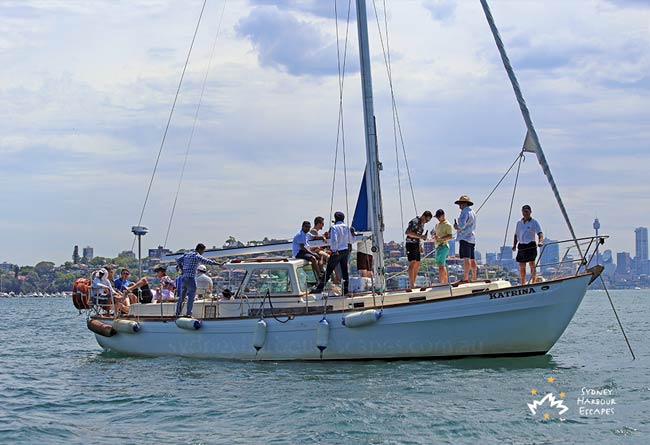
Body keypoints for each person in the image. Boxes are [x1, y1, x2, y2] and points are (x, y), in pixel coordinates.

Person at [314, 211, 354, 295]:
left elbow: (334, 240)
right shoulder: (346, 227)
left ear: (335, 219)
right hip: (345, 251)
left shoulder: (334, 227)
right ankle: (345, 290)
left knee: (328, 270)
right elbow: (351, 240)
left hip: (337, 251)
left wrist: (334, 250)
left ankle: (319, 289)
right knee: (345, 271)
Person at [175, 243, 219, 317]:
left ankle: (177, 312)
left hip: (184, 277)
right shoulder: (196, 256)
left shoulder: (187, 254)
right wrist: (218, 264)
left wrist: (182, 269)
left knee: (182, 297)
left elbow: (178, 260)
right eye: (203, 251)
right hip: (190, 278)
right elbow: (206, 261)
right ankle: (188, 313)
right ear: (200, 249)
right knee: (191, 297)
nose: (203, 253)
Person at [512, 204, 544, 284]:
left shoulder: (534, 222)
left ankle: (534, 281)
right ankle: (523, 283)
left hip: (530, 245)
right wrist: (514, 245)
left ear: (530, 212)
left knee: (532, 264)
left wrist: (540, 241)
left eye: (526, 211)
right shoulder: (519, 223)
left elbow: (540, 233)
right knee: (521, 265)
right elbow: (516, 234)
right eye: (523, 212)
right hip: (522, 245)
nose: (525, 213)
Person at [405, 210, 433, 289]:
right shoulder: (414, 221)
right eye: (426, 220)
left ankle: (413, 283)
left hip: (416, 244)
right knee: (412, 262)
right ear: (423, 216)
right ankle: (411, 285)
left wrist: (420, 243)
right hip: (410, 243)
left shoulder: (422, 223)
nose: (426, 222)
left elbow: (418, 234)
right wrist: (421, 237)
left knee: (417, 263)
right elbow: (407, 232)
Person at [453, 195, 477, 282]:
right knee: (472, 258)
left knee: (466, 258)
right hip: (472, 237)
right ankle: (474, 277)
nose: (459, 206)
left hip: (464, 237)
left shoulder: (464, 212)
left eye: (460, 204)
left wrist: (456, 226)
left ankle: (466, 278)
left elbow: (462, 225)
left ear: (463, 204)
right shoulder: (472, 212)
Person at [433, 209, 453, 284]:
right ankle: (445, 282)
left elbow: (450, 236)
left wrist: (440, 239)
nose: (438, 218)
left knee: (441, 266)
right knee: (441, 266)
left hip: (443, 245)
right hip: (438, 246)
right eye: (437, 217)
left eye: (439, 217)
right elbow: (436, 234)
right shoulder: (437, 225)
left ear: (443, 215)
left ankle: (442, 283)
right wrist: (435, 236)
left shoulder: (447, 225)